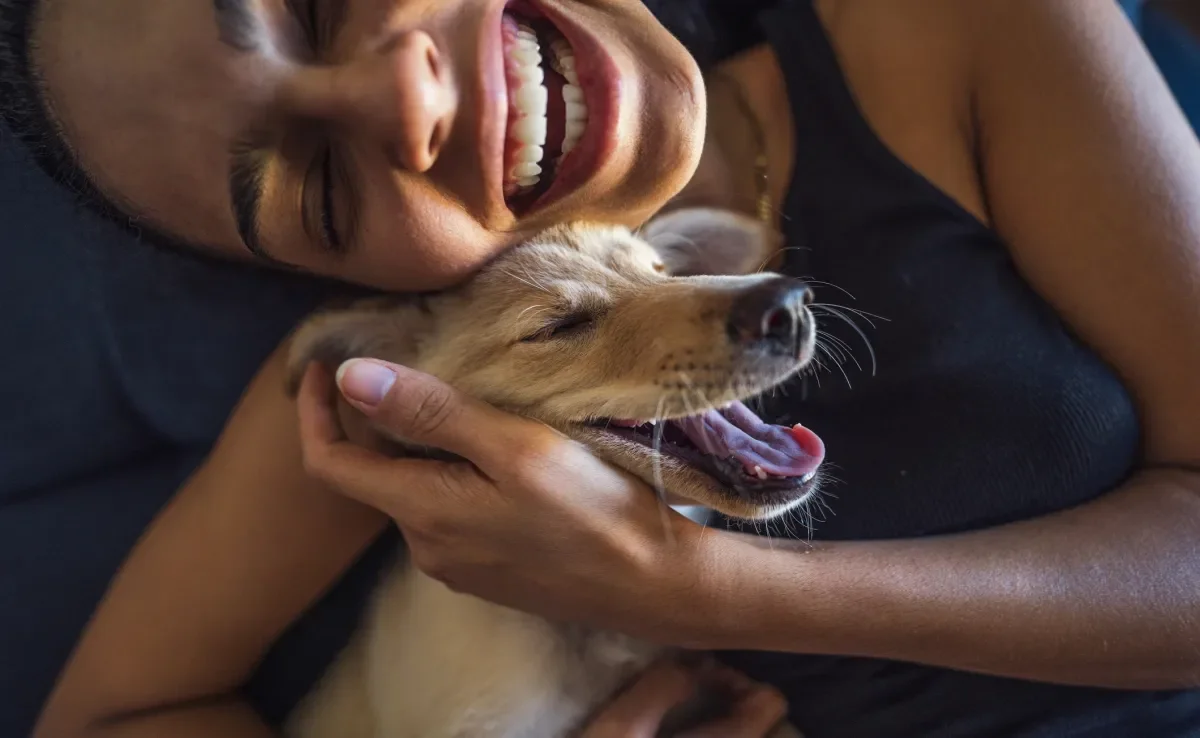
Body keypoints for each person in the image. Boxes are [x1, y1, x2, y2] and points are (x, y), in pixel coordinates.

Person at [4, 0, 1200, 734]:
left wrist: (692, 588)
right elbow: (113, 716)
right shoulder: (396, 377)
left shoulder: (964, 28)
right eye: (319, 184)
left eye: (318, 1)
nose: (404, 96)